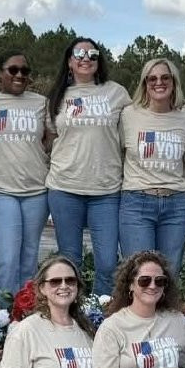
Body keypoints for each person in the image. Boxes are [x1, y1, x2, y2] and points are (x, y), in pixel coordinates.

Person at [47, 37, 130, 297]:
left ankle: (101, 315)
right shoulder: (56, 96)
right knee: (71, 262)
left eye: (92, 54)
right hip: (65, 187)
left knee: (107, 262)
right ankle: (73, 316)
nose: (86, 58)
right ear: (69, 61)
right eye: (79, 53)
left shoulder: (116, 93)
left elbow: (129, 137)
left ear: (99, 60)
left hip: (105, 191)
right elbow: (48, 140)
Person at [0, 51, 51, 306]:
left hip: (36, 191)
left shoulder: (41, 103)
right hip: (0, 190)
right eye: (13, 70)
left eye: (25, 71)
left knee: (29, 258)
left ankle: (24, 314)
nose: (19, 75)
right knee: (6, 258)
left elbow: (50, 138)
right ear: (0, 74)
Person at [118, 58, 185, 273]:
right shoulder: (128, 115)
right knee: (139, 273)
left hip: (176, 204)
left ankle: (167, 310)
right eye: (152, 78)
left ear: (174, 82)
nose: (158, 83)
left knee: (169, 274)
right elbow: (117, 152)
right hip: (136, 202)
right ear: (144, 84)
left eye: (165, 77)